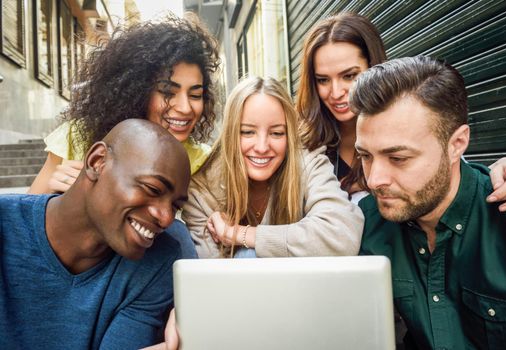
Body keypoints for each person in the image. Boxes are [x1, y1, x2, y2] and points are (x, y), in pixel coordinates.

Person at [354, 56, 506, 349]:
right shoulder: (366, 226)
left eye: (398, 158)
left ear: (457, 144)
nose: (374, 180)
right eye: (365, 156)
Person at [27, 13, 220, 258]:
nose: (185, 107)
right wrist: (54, 200)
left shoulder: (201, 159)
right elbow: (24, 222)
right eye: (168, 92)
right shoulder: (77, 137)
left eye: (195, 95)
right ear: (137, 90)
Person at [296, 12, 506, 208]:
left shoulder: (415, 121)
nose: (336, 92)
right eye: (323, 80)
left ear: (373, 67)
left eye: (349, 76)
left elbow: (452, 180)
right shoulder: (304, 145)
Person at [0, 119, 190, 349]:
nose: (166, 218)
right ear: (97, 162)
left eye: (175, 206)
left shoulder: (158, 260)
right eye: (152, 189)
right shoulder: (5, 224)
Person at [182, 76, 364, 258]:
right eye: (247, 132)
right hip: (242, 286)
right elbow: (213, 279)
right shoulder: (202, 191)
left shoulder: (306, 160)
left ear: (289, 135)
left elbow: (342, 235)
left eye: (277, 133)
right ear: (230, 134)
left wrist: (241, 234)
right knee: (246, 257)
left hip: (304, 283)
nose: (262, 147)